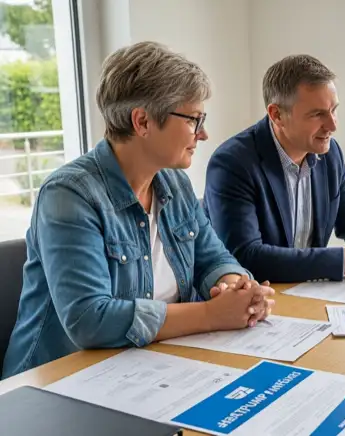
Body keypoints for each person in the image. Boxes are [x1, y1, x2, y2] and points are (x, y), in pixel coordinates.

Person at [2, 42, 275, 379]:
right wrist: (211, 314)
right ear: (143, 121)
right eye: (194, 119)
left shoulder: (174, 182)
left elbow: (213, 257)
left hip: (145, 368)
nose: (203, 134)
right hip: (55, 385)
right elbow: (89, 320)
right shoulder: (69, 195)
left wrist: (237, 289)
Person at [204, 54, 345, 283]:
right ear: (277, 115)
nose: (333, 125)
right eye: (317, 114)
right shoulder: (232, 163)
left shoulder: (330, 153)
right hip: (261, 300)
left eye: (333, 109)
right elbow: (246, 257)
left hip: (307, 296)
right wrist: (344, 261)